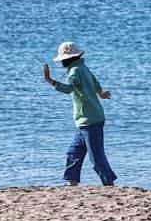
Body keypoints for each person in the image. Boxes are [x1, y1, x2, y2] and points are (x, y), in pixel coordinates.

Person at [43, 41, 117, 186]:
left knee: (96, 158)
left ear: (68, 59)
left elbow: (68, 89)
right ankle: (72, 182)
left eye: (63, 59)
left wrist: (50, 80)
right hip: (85, 121)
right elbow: (94, 80)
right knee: (73, 153)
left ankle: (109, 183)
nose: (62, 62)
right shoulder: (82, 67)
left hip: (90, 120)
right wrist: (100, 92)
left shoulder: (75, 71)